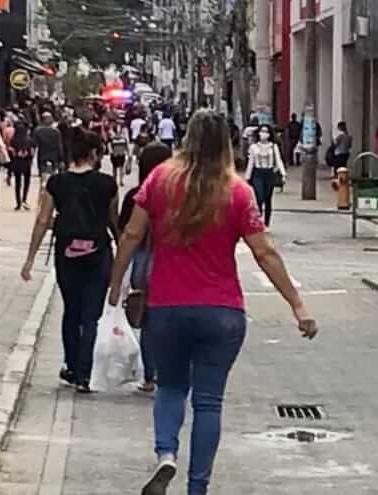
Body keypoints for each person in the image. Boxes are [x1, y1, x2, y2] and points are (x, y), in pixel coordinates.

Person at [108, 110, 318, 495]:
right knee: (208, 403)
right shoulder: (237, 192)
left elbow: (131, 235)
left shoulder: (160, 180)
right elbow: (264, 252)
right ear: (226, 144)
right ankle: (197, 487)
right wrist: (297, 305)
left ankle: (166, 452)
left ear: (187, 138)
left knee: (171, 388)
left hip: (166, 308)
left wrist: (115, 283)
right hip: (221, 311)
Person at [21, 128, 118, 394]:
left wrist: (30, 259)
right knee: (91, 316)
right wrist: (123, 258)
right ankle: (85, 374)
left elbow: (43, 220)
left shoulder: (56, 183)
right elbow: (114, 221)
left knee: (71, 311)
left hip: (67, 254)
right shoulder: (107, 184)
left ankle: (72, 367)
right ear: (95, 153)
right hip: (98, 252)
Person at [117, 140, 174, 394]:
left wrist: (117, 277)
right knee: (170, 316)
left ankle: (150, 375)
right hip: (172, 260)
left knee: (148, 318)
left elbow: (124, 230)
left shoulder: (135, 195)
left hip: (142, 259)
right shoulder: (180, 195)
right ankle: (168, 371)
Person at [245, 125, 287, 226]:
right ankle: (258, 220)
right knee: (259, 196)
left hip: (269, 173)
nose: (264, 134)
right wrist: (247, 177)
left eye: (266, 132)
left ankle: (266, 222)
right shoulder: (253, 147)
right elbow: (251, 163)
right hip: (257, 173)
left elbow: (278, 160)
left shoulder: (273, 146)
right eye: (262, 131)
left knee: (268, 198)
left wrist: (283, 174)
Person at [10, 118, 35, 211]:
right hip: (26, 162)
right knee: (26, 182)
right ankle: (24, 199)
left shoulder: (13, 140)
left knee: (18, 183)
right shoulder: (30, 140)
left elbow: (12, 153)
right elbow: (32, 153)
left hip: (17, 162)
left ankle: (18, 202)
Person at [33, 112, 63, 183]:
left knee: (43, 176)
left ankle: (43, 186)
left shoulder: (37, 131)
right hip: (54, 156)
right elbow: (59, 146)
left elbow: (34, 144)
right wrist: (61, 159)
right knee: (54, 175)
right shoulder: (56, 131)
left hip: (42, 156)